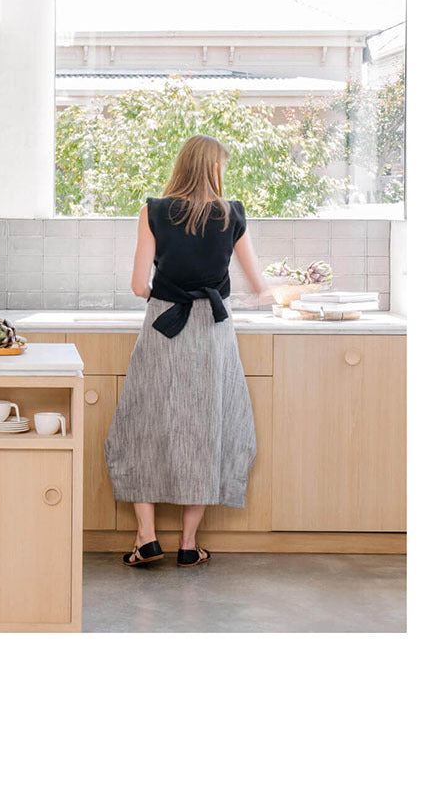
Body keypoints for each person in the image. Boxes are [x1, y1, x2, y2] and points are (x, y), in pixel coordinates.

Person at [104, 134, 273, 568]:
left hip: (163, 327)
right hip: (213, 332)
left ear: (181, 165)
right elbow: (260, 285)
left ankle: (146, 539)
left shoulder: (153, 211)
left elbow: (139, 286)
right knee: (207, 429)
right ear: (214, 169)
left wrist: (168, 292)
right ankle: (187, 543)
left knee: (141, 427)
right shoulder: (231, 214)